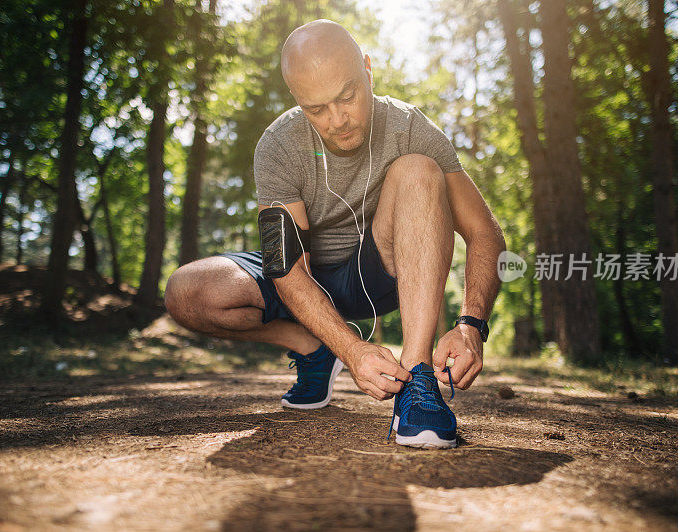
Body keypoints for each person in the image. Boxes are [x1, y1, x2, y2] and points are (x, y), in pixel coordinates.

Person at [164, 19, 505, 449]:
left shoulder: (411, 128)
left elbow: (485, 234)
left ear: (367, 69)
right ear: (297, 101)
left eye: (347, 97)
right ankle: (314, 348)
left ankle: (417, 382)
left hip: (376, 272)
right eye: (316, 109)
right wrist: (349, 348)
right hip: (303, 274)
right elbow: (284, 268)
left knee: (418, 169)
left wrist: (471, 325)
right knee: (186, 291)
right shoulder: (278, 145)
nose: (337, 120)